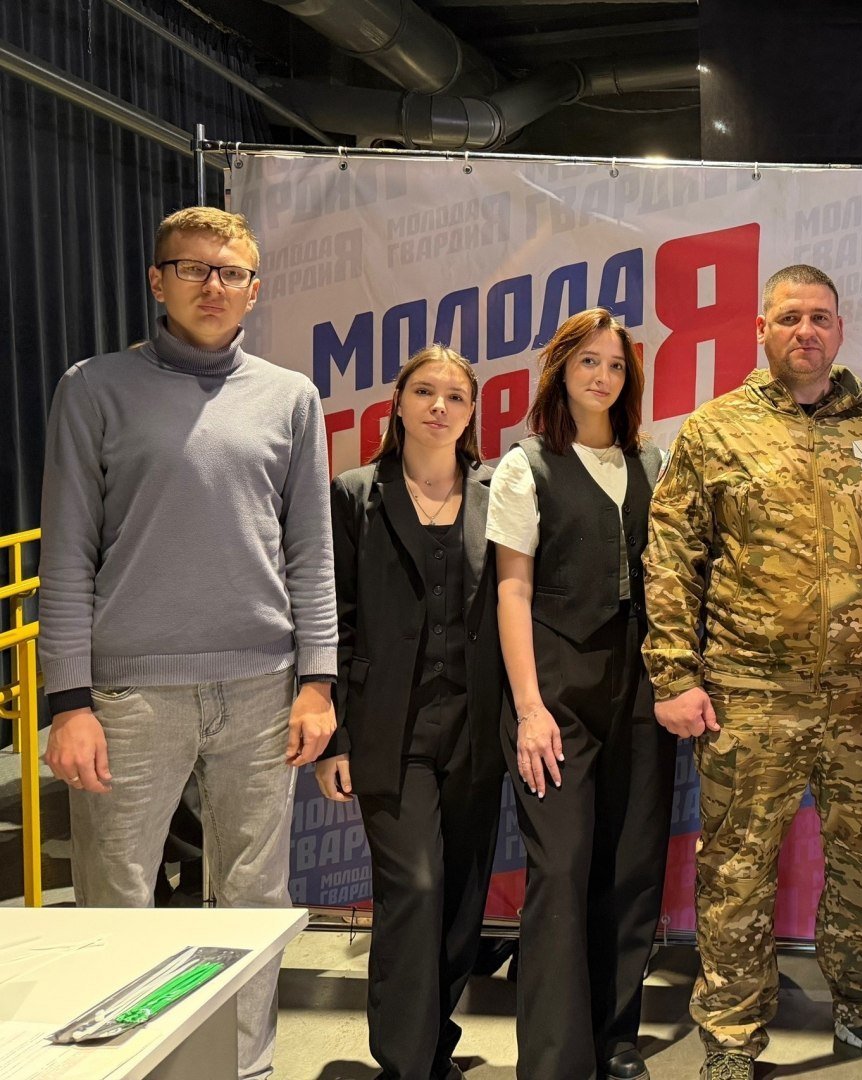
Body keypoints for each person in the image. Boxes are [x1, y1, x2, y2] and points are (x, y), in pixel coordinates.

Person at [38, 206, 337, 1080]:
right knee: (116, 905)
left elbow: (311, 550)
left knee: (253, 901)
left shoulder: (290, 397)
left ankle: (246, 1069)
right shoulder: (92, 388)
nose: (214, 286)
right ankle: (121, 1068)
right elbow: (67, 555)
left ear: (255, 289)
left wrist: (317, 680)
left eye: (231, 272)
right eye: (194, 268)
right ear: (157, 281)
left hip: (261, 688)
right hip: (129, 697)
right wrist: (68, 702)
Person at [644, 264, 862, 1080]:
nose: (804, 331)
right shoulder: (716, 432)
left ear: (840, 330)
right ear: (762, 329)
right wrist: (673, 673)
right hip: (749, 693)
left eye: (819, 317)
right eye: (788, 317)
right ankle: (730, 1038)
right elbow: (671, 559)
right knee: (737, 869)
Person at [486, 308, 674, 1080]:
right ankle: (556, 1059)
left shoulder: (651, 461)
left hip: (641, 687)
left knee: (631, 866)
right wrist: (529, 709)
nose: (603, 376)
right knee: (562, 868)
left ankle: (614, 1036)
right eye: (588, 361)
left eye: (616, 365)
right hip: (556, 687)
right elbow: (511, 592)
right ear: (560, 370)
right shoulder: (525, 466)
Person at [316, 344, 505, 1080]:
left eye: (455, 396)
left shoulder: (499, 489)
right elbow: (334, 619)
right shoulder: (354, 494)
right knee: (416, 889)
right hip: (389, 731)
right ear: (397, 403)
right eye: (424, 391)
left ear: (472, 411)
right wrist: (335, 737)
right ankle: (403, 1063)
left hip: (477, 730)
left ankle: (432, 1046)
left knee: (460, 902)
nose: (439, 406)